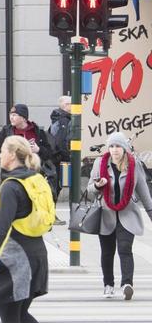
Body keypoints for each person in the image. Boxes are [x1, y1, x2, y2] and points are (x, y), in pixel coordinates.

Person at [0, 135, 49, 322]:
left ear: (13, 154)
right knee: (21, 316)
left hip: (17, 260)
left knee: (12, 318)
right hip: (37, 256)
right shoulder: (35, 179)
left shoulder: (11, 186)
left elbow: (1, 229)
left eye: (2, 151)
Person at [87, 132, 152, 300]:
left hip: (127, 214)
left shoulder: (134, 164)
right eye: (112, 146)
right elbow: (89, 192)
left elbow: (144, 193)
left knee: (125, 249)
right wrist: (97, 185)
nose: (114, 150)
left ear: (124, 148)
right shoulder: (99, 163)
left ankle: (126, 284)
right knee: (107, 252)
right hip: (106, 214)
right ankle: (108, 284)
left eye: (118, 146)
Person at [49, 95, 72, 225]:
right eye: (70, 103)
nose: (73, 106)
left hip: (57, 159)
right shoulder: (63, 120)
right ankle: (51, 215)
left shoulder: (58, 119)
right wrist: (67, 156)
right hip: (60, 160)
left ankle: (51, 214)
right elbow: (61, 142)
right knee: (57, 187)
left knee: (57, 186)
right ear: (64, 106)